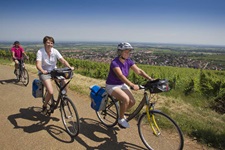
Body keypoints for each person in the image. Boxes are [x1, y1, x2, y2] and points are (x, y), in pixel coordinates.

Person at [105, 42, 153, 128]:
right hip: (112, 85)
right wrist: (132, 85)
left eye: (129, 52)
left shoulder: (128, 61)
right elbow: (120, 75)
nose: (128, 54)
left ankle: (121, 112)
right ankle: (120, 119)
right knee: (126, 99)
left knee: (132, 102)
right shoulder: (115, 62)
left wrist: (150, 78)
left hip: (121, 84)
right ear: (120, 52)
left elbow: (139, 71)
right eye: (126, 52)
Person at [36, 36, 74, 115]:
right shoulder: (40, 52)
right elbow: (38, 64)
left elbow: (62, 60)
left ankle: (63, 98)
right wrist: (42, 70)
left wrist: (69, 67)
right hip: (44, 72)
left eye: (51, 43)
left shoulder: (55, 51)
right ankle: (44, 106)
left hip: (54, 71)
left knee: (64, 81)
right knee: (50, 91)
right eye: (48, 42)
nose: (50, 44)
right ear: (44, 43)